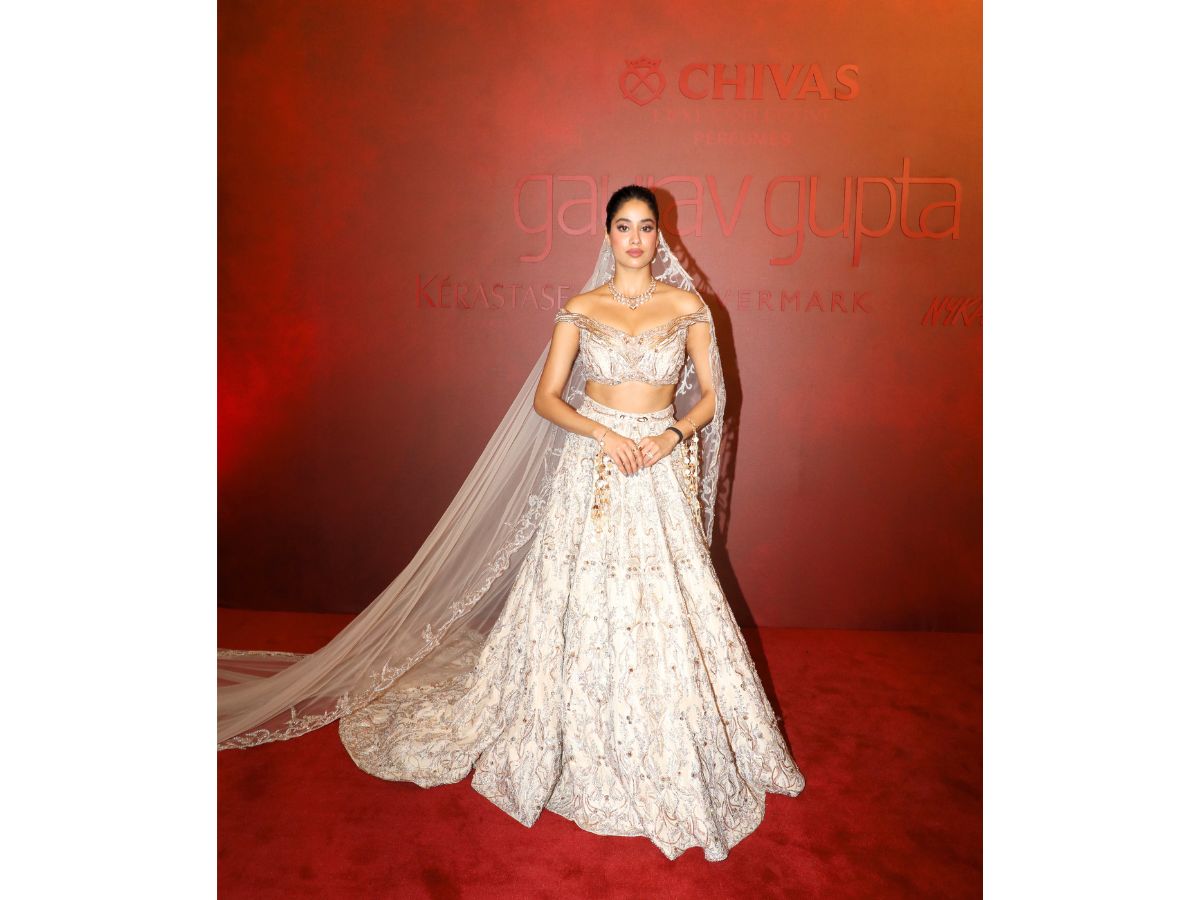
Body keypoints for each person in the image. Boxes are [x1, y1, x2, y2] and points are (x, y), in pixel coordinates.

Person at [219, 185, 805, 862]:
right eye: (623, 227)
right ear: (607, 235)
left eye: (646, 227)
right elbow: (547, 398)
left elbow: (712, 396)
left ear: (660, 235)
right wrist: (602, 433)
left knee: (668, 600)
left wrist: (670, 436)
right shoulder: (580, 309)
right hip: (596, 466)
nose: (635, 239)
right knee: (578, 597)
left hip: (656, 464)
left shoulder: (688, 307)